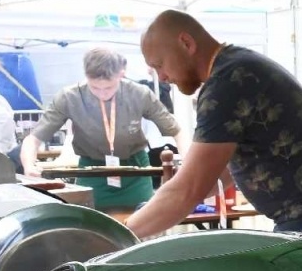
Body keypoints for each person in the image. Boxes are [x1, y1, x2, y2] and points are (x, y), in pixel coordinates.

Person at [128, 10, 302, 237]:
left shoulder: (227, 83)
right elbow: (212, 175)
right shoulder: (235, 67)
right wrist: (161, 202)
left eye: (160, 65)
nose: (162, 78)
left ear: (186, 43)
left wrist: (121, 233)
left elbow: (188, 189)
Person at [20, 46, 184, 209]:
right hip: (91, 172)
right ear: (86, 76)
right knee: (91, 225)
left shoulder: (140, 94)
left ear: (121, 74)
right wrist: (29, 166)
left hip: (136, 171)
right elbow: (34, 139)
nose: (102, 93)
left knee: (143, 221)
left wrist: (185, 161)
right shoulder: (69, 97)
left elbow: (176, 130)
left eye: (109, 87)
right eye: (95, 88)